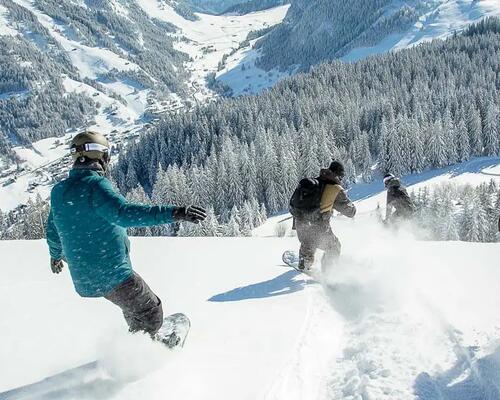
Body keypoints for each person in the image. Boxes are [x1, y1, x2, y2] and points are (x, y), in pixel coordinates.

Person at [46, 131, 206, 343]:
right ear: (99, 156)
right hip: (111, 272)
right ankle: (144, 354)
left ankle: (133, 343)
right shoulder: (95, 186)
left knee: (131, 305)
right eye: (106, 155)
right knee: (151, 312)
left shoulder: (59, 191)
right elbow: (124, 214)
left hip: (85, 277)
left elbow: (52, 229)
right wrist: (174, 213)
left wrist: (55, 256)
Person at [290, 161, 356, 272]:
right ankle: (328, 273)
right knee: (334, 247)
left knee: (308, 243)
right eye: (342, 176)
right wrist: (350, 204)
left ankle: (304, 263)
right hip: (318, 226)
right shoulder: (335, 189)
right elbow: (350, 212)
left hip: (300, 223)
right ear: (339, 174)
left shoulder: (315, 182)